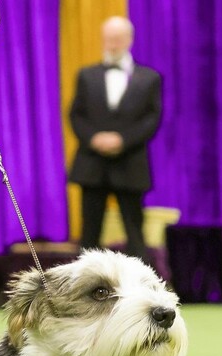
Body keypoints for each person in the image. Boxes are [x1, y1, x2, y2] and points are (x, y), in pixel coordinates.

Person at [68, 16, 162, 262]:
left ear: (129, 40)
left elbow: (152, 119)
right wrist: (95, 138)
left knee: (135, 232)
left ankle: (142, 292)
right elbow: (76, 115)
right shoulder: (87, 76)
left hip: (130, 163)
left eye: (117, 39)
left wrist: (122, 140)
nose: (112, 44)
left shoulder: (149, 78)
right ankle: (81, 294)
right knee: (89, 234)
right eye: (108, 39)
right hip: (92, 164)